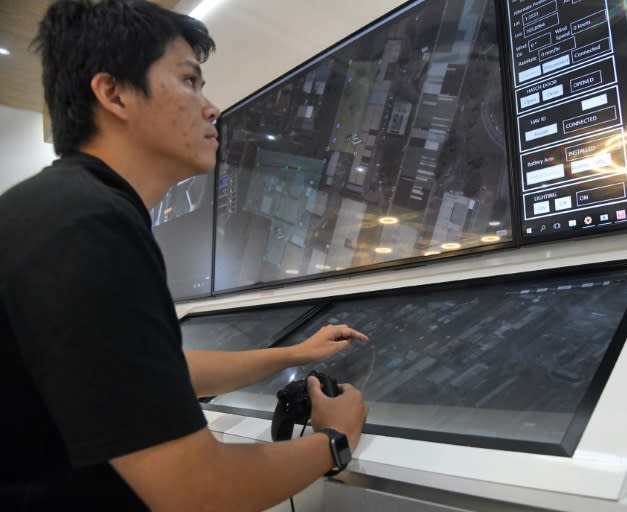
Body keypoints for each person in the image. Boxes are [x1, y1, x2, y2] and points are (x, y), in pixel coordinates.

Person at [0, 1, 368, 510]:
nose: (211, 106)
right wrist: (335, 441)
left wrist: (294, 354)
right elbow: (197, 489)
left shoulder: (59, 208)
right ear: (114, 93)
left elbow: (155, 371)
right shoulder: (90, 228)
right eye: (190, 81)